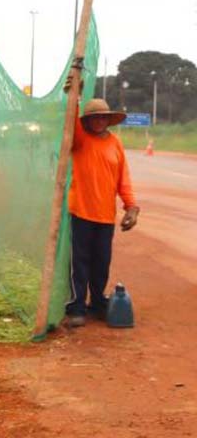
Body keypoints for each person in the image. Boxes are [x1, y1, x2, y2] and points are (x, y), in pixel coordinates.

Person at [65, 97, 139, 327]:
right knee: (80, 264)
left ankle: (97, 304)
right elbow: (69, 123)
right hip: (81, 212)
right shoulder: (80, 140)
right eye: (94, 117)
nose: (99, 121)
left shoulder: (115, 143)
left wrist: (131, 207)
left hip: (106, 216)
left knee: (101, 263)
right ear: (87, 121)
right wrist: (73, 98)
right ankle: (77, 307)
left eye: (103, 117)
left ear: (108, 120)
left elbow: (123, 180)